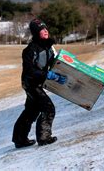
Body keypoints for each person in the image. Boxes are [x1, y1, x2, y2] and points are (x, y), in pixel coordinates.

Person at [12, 18, 67, 148]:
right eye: (41, 29)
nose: (45, 30)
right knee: (48, 108)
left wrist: (61, 73)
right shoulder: (30, 50)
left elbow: (54, 64)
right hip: (30, 83)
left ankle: (19, 139)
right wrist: (47, 75)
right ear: (36, 33)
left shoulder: (48, 47)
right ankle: (44, 137)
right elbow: (30, 71)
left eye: (46, 28)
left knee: (31, 110)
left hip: (38, 82)